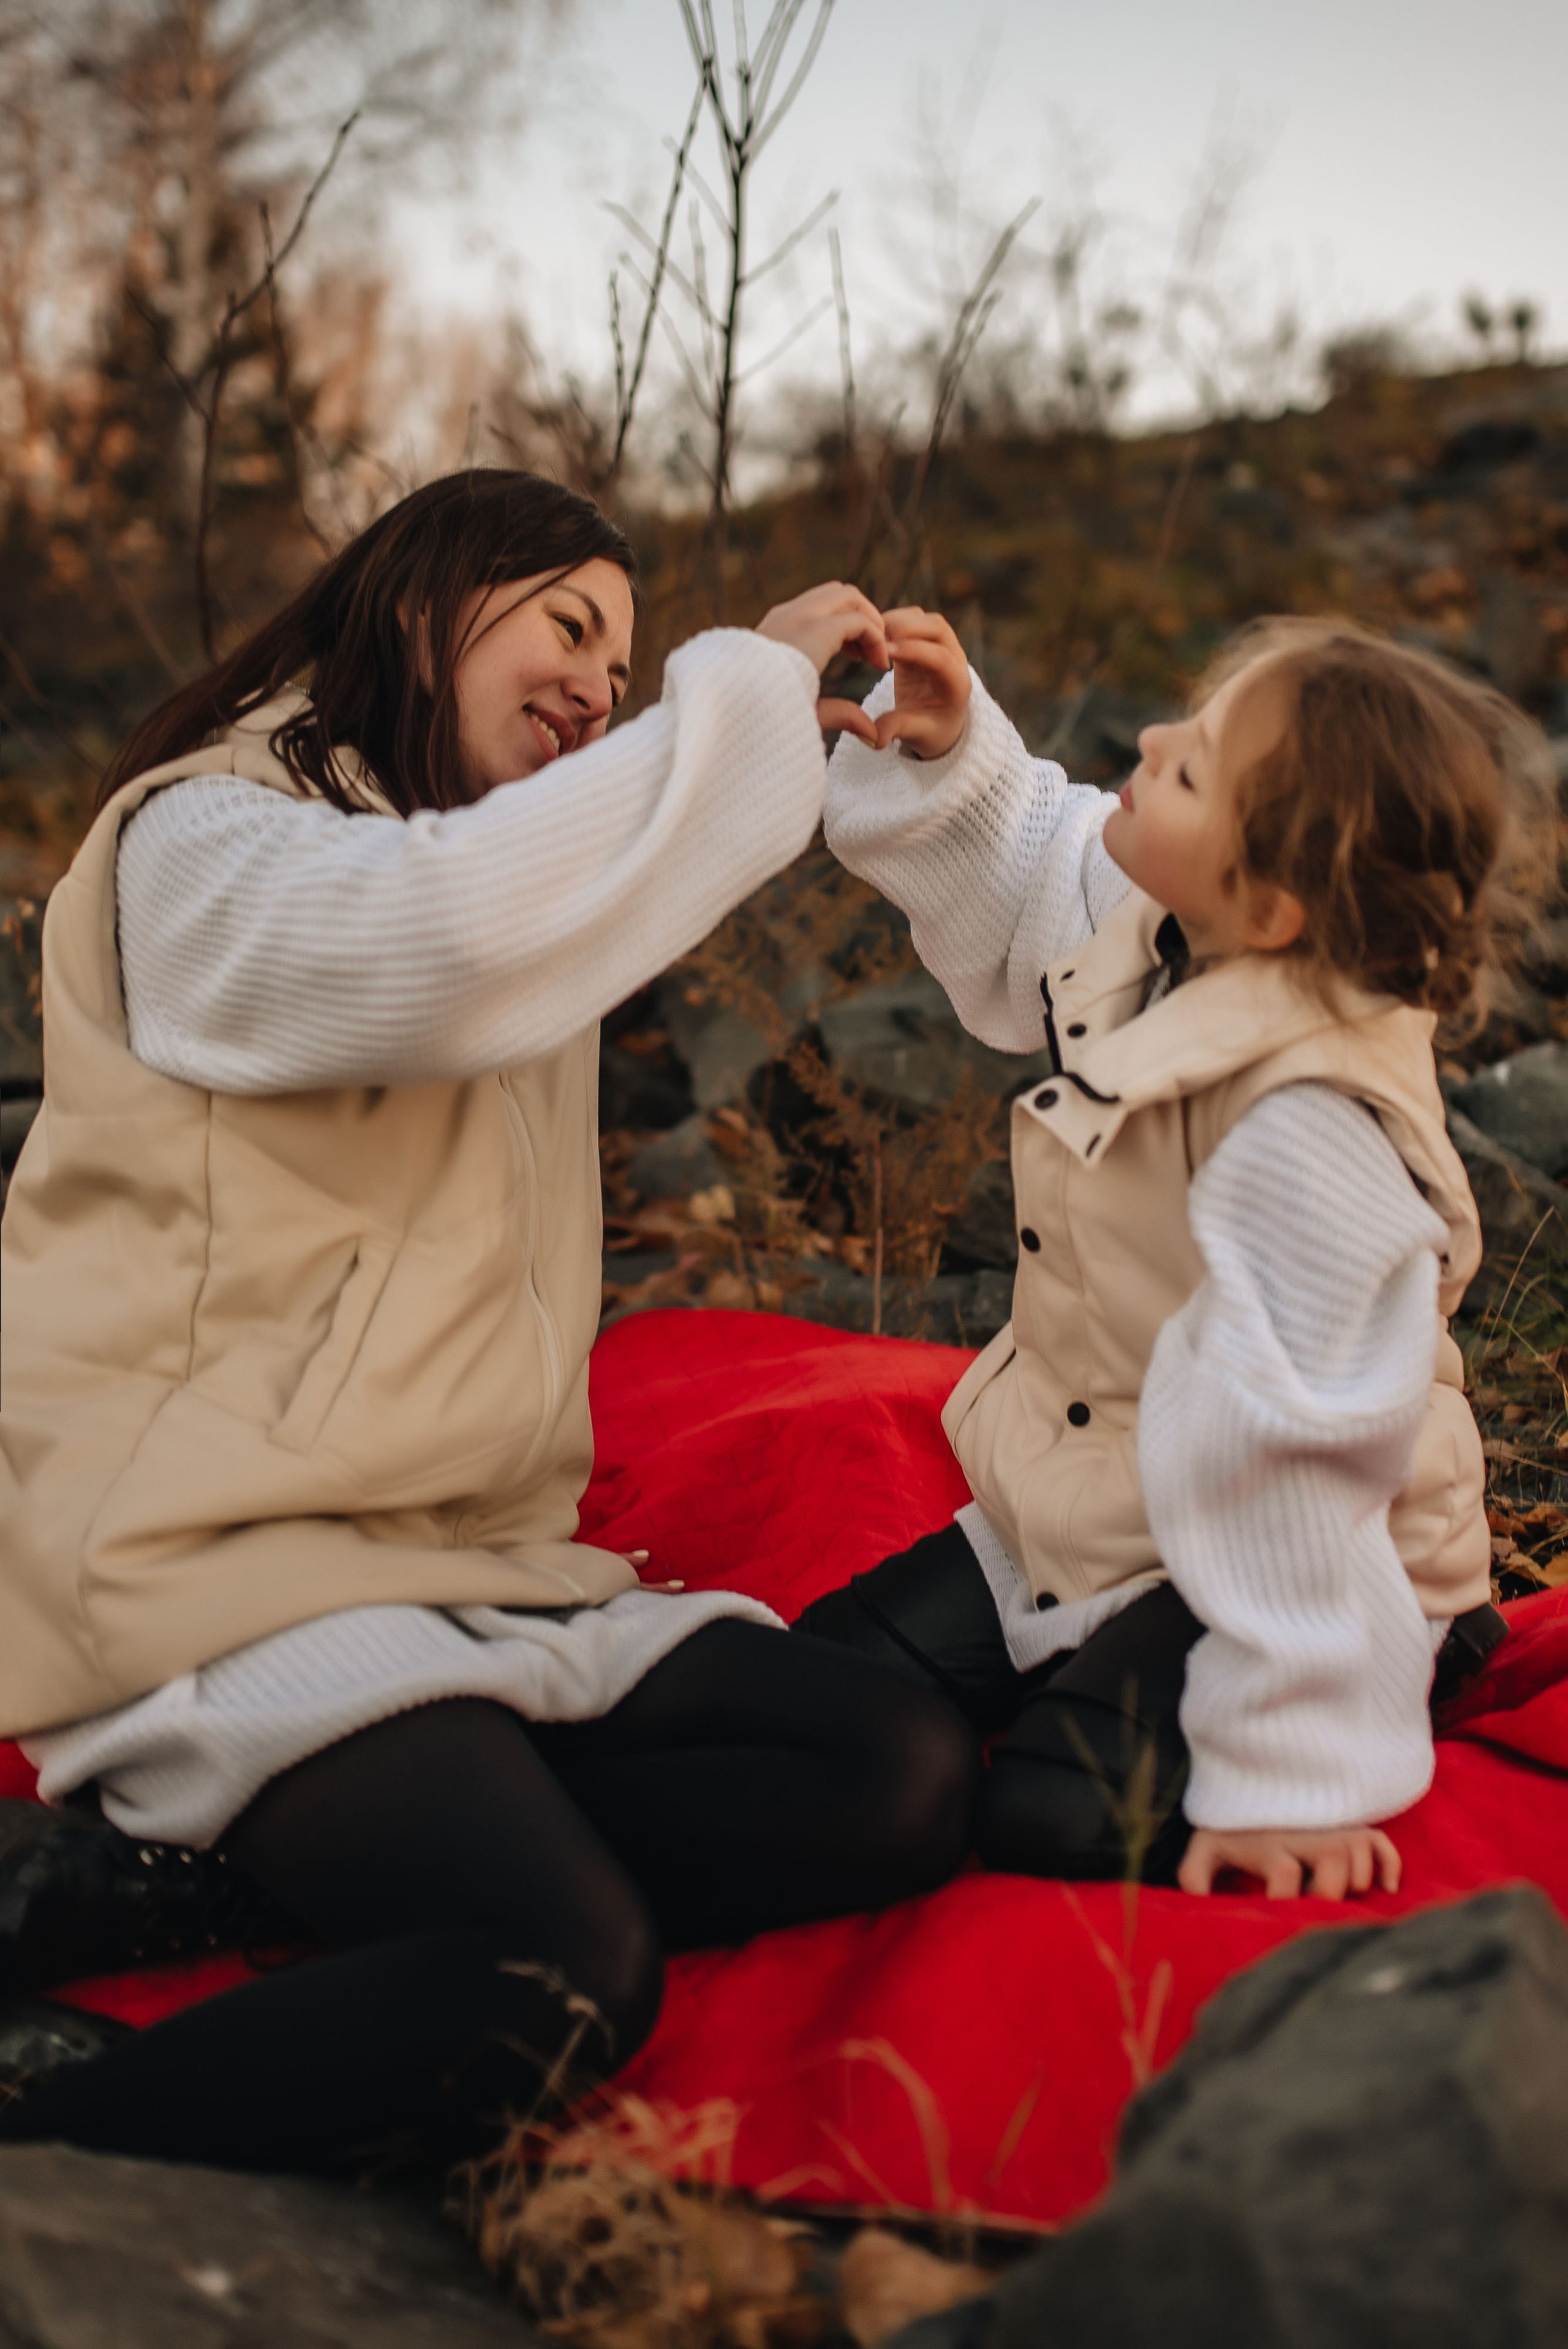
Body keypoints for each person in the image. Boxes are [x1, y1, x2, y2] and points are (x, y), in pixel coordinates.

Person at [0, 471, 978, 2174]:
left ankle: (228, 1883)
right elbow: (441, 941)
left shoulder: (498, 869)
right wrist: (729, 693)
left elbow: (554, 891)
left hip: (468, 1565)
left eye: (626, 653)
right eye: (569, 626)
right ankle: (51, 2148)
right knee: (563, 1969)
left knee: (896, 1766)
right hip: (216, 1565)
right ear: (420, 600)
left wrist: (925, 779)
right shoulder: (207, 840)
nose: (603, 683)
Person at [796, 605, 1553, 1902]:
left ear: (1269, 903)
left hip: (1304, 1554)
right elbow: (1043, 862)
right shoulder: (1169, 926)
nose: (1148, 739)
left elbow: (1302, 1462)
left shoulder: (1310, 1127)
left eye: (1192, 764)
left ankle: (1406, 1662)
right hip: (1109, 1490)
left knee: (1048, 1809)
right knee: (815, 1691)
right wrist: (947, 747)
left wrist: (1288, 1770)